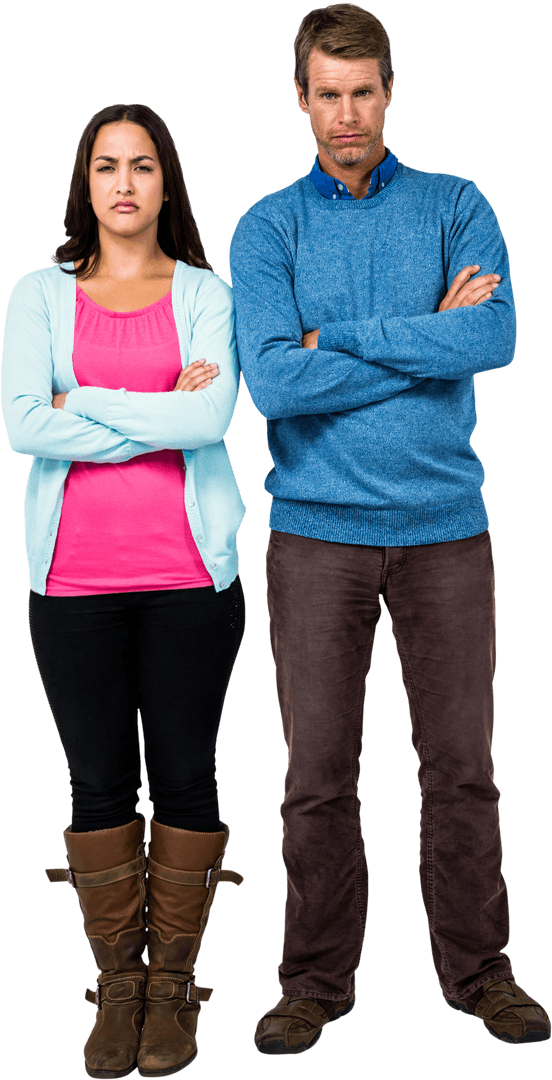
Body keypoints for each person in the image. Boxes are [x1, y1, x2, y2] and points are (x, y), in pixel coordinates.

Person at [229, 3, 550, 1055]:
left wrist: (346, 339)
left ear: (390, 90)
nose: (346, 113)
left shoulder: (458, 203)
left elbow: (495, 334)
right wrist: (428, 336)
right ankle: (313, 981)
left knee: (461, 767)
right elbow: (274, 379)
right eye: (327, 92)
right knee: (317, 776)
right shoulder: (271, 227)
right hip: (315, 536)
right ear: (301, 98)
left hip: (446, 531)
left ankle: (481, 972)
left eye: (363, 90)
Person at [1, 102, 246, 1079]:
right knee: (98, 782)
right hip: (72, 585)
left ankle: (174, 991)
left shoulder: (205, 292)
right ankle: (119, 990)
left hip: (190, 581)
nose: (125, 184)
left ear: (166, 182)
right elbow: (24, 427)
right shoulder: (37, 296)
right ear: (86, 182)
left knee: (185, 777)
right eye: (108, 166)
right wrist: (160, 411)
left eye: (143, 165)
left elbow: (217, 414)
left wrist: (85, 402)